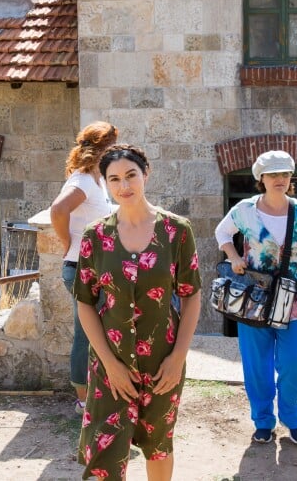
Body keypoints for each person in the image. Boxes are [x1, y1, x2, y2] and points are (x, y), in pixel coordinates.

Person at [73, 144, 202, 481]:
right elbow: (85, 301)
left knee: (159, 444)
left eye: (131, 175)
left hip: (163, 360)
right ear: (105, 184)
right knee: (105, 453)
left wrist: (177, 359)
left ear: (146, 174)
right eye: (114, 179)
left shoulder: (177, 231)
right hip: (110, 362)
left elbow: (191, 297)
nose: (124, 186)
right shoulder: (95, 236)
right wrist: (110, 365)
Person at [214, 150, 297, 445]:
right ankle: (263, 420)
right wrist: (235, 256)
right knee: (257, 364)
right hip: (257, 298)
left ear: (291, 178)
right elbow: (222, 232)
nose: (280, 179)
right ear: (260, 179)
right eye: (273, 174)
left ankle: (291, 418)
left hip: (296, 298)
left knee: (292, 362)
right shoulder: (245, 209)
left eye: (285, 174)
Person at [50, 121, 119, 413]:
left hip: (96, 268)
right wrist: (67, 242)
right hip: (81, 269)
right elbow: (58, 210)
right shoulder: (81, 180)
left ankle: (98, 391)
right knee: (86, 333)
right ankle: (82, 399)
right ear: (103, 148)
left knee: (99, 331)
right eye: (113, 145)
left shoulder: (96, 180)